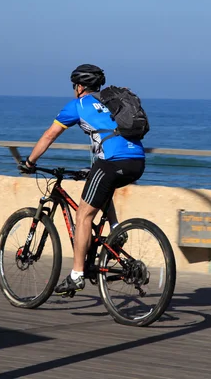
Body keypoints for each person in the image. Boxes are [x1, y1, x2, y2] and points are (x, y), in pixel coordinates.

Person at [20, 64, 146, 295]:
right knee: (102, 184)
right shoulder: (110, 100)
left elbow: (50, 135)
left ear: (79, 86)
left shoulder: (77, 105)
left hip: (113, 161)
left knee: (83, 215)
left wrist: (29, 162)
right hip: (137, 160)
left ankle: (77, 274)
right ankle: (117, 230)